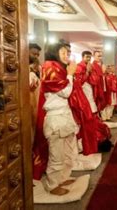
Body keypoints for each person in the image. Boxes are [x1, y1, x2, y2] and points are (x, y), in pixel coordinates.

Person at [32, 40, 78, 195]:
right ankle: (53, 185)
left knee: (67, 151)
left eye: (68, 53)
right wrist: (71, 75)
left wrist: (69, 74)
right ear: (54, 52)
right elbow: (65, 92)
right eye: (63, 52)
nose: (67, 56)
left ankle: (63, 178)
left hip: (64, 114)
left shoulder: (60, 68)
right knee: (56, 154)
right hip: (56, 117)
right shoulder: (50, 67)